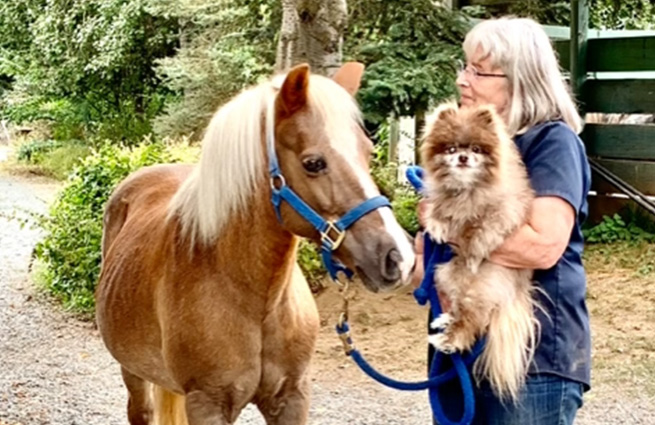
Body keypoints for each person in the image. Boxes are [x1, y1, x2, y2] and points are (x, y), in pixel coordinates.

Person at [413, 17, 592, 425]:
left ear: (518, 80)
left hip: (532, 361)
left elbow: (542, 246)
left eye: (477, 70)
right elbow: (430, 257)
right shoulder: (464, 145)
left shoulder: (553, 143)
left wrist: (451, 227)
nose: (463, 80)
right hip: (460, 351)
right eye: (464, 67)